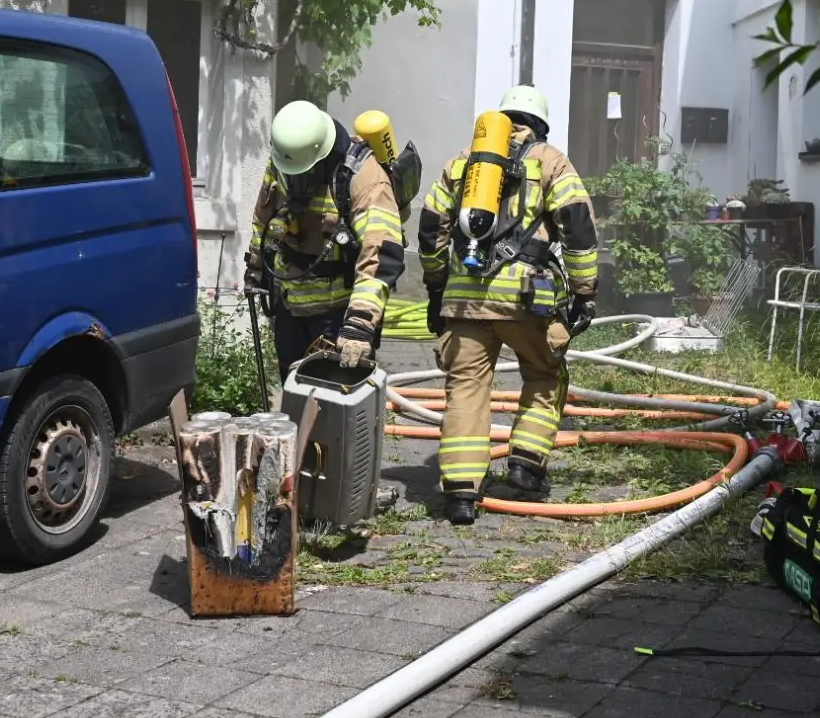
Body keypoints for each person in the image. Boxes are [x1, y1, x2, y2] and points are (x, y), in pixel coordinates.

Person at [417, 85, 601, 526]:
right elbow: (577, 226)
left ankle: (461, 494)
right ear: (538, 124)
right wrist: (584, 292)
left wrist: (438, 288)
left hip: (464, 299)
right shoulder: (551, 159)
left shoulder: (462, 161)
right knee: (544, 373)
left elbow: (430, 229)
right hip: (526, 300)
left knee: (465, 388)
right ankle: (525, 466)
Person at [245, 100, 407, 379]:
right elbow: (264, 216)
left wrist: (360, 322)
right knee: (294, 386)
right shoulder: (286, 160)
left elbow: (380, 252)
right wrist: (255, 268)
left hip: (338, 310)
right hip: (290, 301)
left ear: (322, 154)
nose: (295, 179)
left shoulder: (363, 176)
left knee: (333, 397)